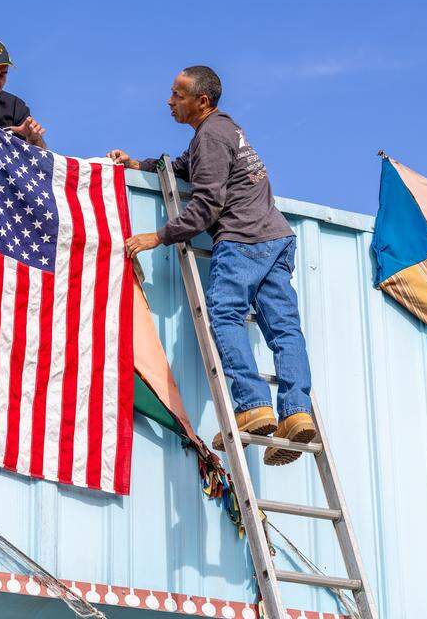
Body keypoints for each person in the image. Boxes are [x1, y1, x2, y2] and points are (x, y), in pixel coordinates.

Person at [107, 66, 314, 465]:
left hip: (243, 239)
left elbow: (206, 207)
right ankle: (296, 412)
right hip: (276, 237)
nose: (169, 101)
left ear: (202, 101)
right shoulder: (223, 130)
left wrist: (158, 236)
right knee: (285, 328)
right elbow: (186, 166)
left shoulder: (211, 136)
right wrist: (139, 165)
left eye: (178, 94)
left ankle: (253, 406)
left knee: (224, 315)